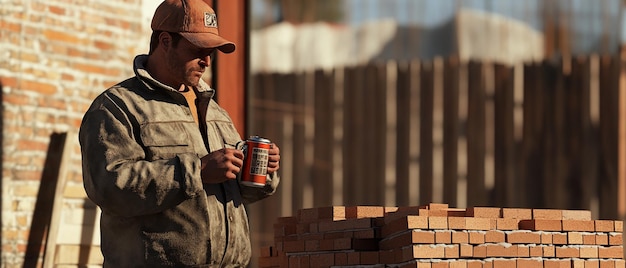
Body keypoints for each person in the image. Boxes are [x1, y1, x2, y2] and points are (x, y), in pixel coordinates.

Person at [78, 0, 281, 266]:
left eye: (212, 52)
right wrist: (195, 171)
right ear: (165, 41)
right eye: (197, 49)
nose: (207, 61)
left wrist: (261, 174)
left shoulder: (215, 111)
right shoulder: (117, 107)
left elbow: (236, 195)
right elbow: (109, 188)